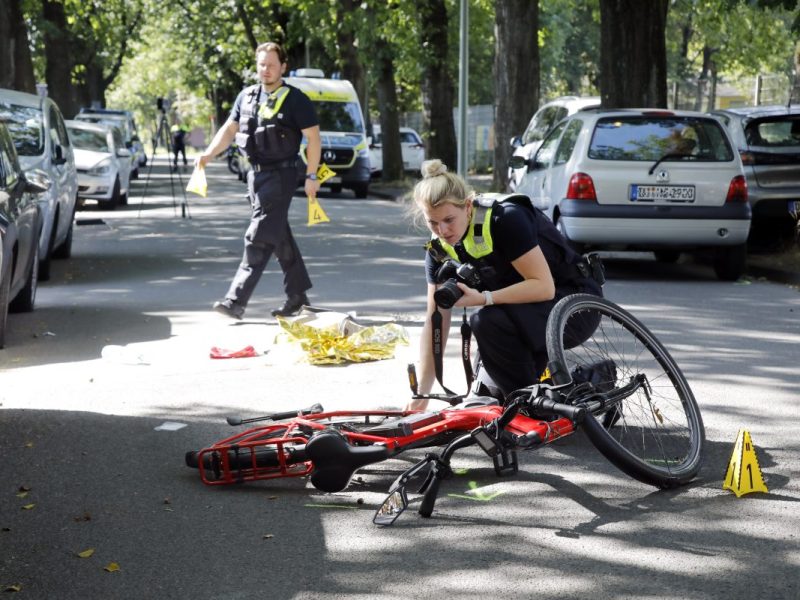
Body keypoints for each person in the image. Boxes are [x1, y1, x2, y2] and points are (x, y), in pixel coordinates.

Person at [408, 160, 603, 411]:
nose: (442, 230)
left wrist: (484, 298)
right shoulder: (438, 249)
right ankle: (583, 388)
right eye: (432, 223)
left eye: (448, 219)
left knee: (486, 322)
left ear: (467, 206)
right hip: (522, 313)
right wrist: (421, 398)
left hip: (574, 305)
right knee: (489, 395)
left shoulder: (505, 219)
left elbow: (544, 287)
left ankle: (532, 409)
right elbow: (435, 321)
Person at [196, 41, 321, 320]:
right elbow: (229, 130)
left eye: (271, 65)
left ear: (283, 67)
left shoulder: (295, 99)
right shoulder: (247, 96)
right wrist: (207, 154)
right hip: (255, 175)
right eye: (261, 64)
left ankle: (235, 300)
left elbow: (313, 139)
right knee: (278, 235)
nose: (265, 70)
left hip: (282, 174)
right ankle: (298, 297)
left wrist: (312, 175)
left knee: (259, 237)